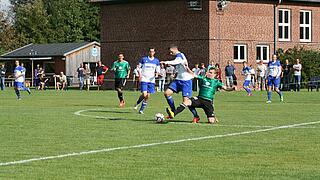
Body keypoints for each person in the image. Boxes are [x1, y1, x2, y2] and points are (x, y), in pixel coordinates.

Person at [166, 67, 235, 123]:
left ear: (215, 75)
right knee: (187, 102)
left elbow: (226, 88)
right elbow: (193, 75)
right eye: (208, 72)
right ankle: (173, 114)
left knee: (211, 121)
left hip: (208, 102)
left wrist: (232, 88)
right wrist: (187, 69)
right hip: (199, 99)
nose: (208, 73)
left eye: (211, 73)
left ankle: (212, 117)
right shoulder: (203, 78)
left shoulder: (217, 82)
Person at [160, 44, 197, 120]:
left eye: (171, 52)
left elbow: (176, 61)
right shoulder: (178, 57)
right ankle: (173, 111)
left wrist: (166, 62)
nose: (170, 54)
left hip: (186, 81)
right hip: (178, 80)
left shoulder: (180, 56)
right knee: (167, 93)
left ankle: (196, 116)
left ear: (174, 49)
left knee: (186, 101)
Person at [133, 48, 160, 114]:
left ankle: (141, 110)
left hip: (151, 80)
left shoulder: (156, 61)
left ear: (154, 52)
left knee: (147, 96)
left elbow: (158, 70)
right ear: (148, 52)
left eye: (152, 51)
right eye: (150, 51)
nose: (151, 53)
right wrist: (140, 75)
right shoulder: (144, 59)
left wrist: (157, 74)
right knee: (144, 94)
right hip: (144, 79)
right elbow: (138, 68)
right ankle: (137, 104)